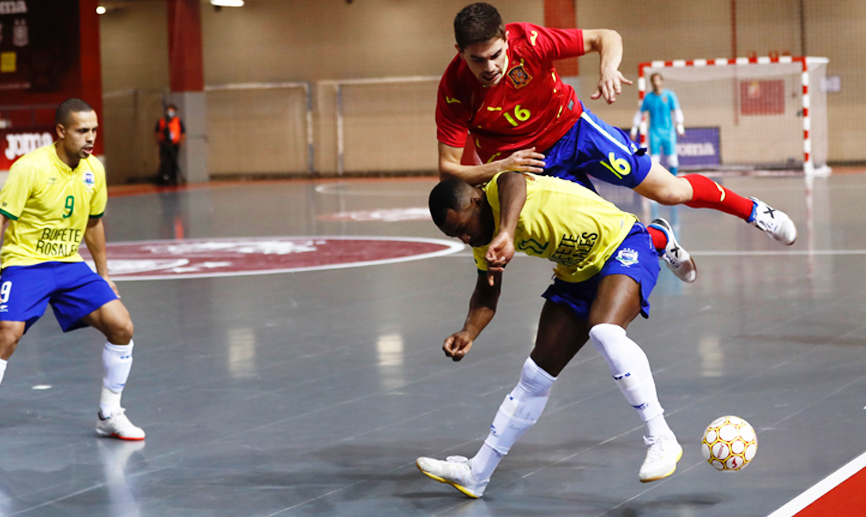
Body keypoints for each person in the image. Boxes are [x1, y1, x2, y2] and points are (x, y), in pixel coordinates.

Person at [435, 3, 797, 255]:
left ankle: (753, 211)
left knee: (669, 191)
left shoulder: (530, 40)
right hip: (528, 168)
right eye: (477, 59)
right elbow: (448, 168)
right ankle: (658, 239)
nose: (490, 67)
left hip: (574, 129)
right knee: (601, 234)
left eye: (496, 55)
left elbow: (605, 36)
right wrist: (500, 166)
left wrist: (608, 68)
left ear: (505, 41)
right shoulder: (454, 90)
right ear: (459, 51)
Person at [417, 171, 685, 498]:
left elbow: (512, 180)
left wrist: (507, 232)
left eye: (462, 229)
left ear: (477, 200)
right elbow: (487, 294)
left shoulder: (502, 193)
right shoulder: (482, 238)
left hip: (622, 243)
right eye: (455, 236)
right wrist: (468, 331)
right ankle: (477, 473)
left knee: (604, 331)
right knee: (535, 375)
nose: (465, 239)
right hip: (576, 274)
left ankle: (662, 438)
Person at [0, 98, 145, 441]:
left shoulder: (95, 170)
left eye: (94, 130)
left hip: (68, 263)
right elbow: (3, 219)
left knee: (121, 325)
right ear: (62, 131)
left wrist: (104, 274)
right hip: (25, 261)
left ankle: (109, 414)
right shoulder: (29, 168)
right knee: (7, 331)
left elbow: (93, 224)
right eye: (82, 131)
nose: (91, 138)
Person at [630, 73, 684, 176]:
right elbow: (640, 113)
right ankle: (658, 182)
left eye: (658, 80)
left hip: (669, 132)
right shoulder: (648, 98)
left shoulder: (669, 95)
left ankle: (674, 179)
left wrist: (680, 126)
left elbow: (677, 110)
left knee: (672, 160)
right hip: (654, 133)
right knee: (655, 160)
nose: (656, 83)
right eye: (654, 81)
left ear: (661, 81)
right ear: (651, 83)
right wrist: (634, 129)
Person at [154, 103, 185, 186]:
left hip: (174, 144)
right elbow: (156, 132)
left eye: (172, 111)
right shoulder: (162, 121)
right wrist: (159, 141)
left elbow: (182, 133)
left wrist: (180, 143)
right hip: (164, 144)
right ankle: (163, 178)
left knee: (173, 162)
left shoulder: (178, 121)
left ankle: (173, 179)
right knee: (164, 161)